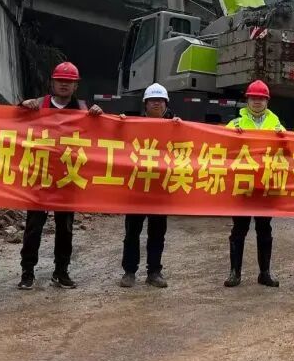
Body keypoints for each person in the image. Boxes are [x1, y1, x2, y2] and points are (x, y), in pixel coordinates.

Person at [17, 62, 102, 290]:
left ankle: (61, 271)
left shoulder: (84, 110)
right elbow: (12, 123)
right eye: (60, 81)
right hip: (41, 176)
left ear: (76, 86)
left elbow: (100, 135)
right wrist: (21, 105)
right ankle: (27, 271)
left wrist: (99, 116)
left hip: (67, 178)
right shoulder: (38, 105)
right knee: (33, 227)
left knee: (65, 228)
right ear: (52, 83)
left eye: (69, 82)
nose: (64, 85)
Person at [224, 80, 285, 288]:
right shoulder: (235, 125)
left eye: (261, 98)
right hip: (243, 185)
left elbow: (288, 153)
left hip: (266, 186)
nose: (257, 102)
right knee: (239, 229)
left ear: (267, 101)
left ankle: (264, 273)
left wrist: (282, 139)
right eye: (253, 98)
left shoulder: (277, 126)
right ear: (247, 100)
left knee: (264, 229)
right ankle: (234, 273)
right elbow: (221, 150)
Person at [118, 83, 180, 289]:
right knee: (132, 232)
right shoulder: (133, 124)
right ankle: (129, 271)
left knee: (157, 232)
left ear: (166, 104)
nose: (156, 103)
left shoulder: (176, 126)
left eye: (160, 100)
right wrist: (120, 124)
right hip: (137, 186)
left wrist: (180, 128)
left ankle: (154, 272)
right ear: (145, 104)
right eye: (152, 100)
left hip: (160, 187)